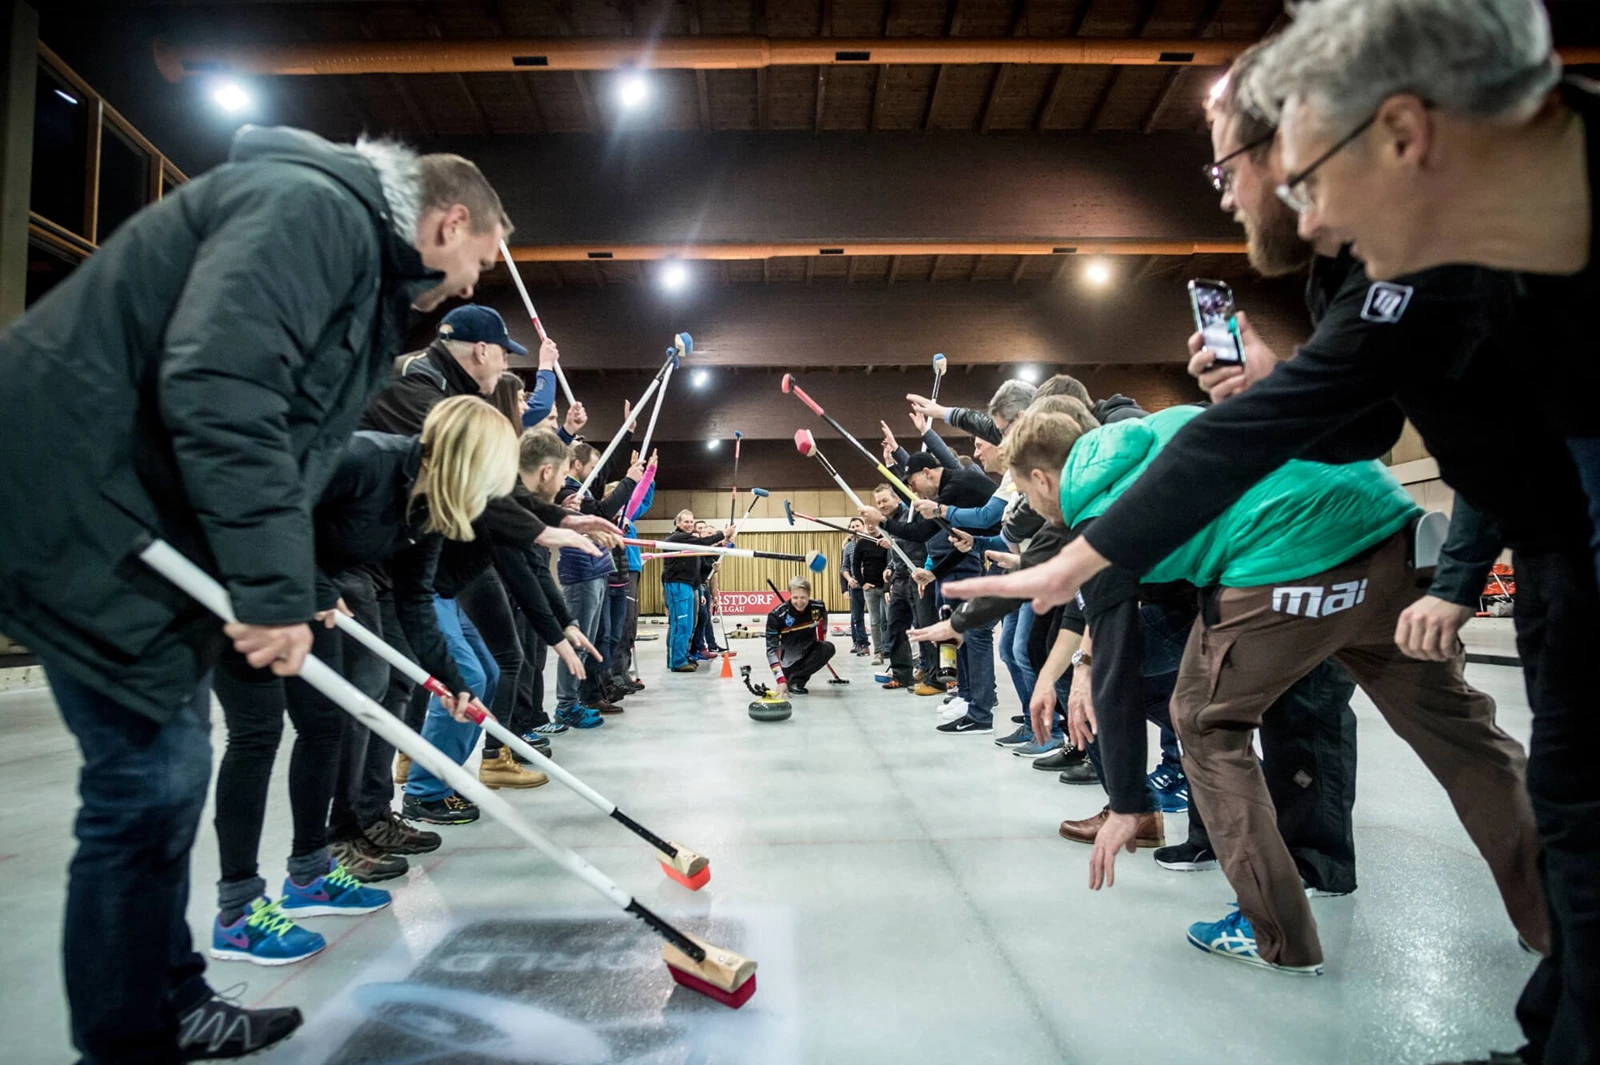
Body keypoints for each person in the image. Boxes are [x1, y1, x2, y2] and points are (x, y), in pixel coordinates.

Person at [0, 125, 510, 1061]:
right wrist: (278, 591)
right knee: (141, 788)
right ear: (447, 222)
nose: (471, 288)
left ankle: (172, 998)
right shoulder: (315, 213)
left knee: (167, 776)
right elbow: (226, 389)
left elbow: (282, 436)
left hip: (142, 518)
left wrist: (263, 579)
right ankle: (130, 1036)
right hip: (80, 498)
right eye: (477, 262)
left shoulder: (352, 259)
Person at [958, 406, 1548, 976]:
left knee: (1204, 723)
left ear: (1042, 476)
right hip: (1393, 534)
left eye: (1025, 492)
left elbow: (1116, 663)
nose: (1031, 507)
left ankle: (1279, 937)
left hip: (1292, 563)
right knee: (1463, 734)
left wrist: (1130, 805)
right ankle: (1554, 920)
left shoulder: (1106, 518)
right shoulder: (1161, 427)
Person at [211, 395, 513, 963]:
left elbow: (416, 601)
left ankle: (308, 875)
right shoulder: (364, 459)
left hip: (314, 592)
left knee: (326, 728)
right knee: (255, 736)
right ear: (469, 460)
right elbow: (275, 508)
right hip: (245, 583)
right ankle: (237, 911)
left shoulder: (429, 511)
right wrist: (317, 591)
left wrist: (450, 679)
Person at [861, 452, 1002, 734]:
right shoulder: (951, 488)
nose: (912, 490)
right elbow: (960, 544)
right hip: (1000, 552)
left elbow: (921, 532)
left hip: (1012, 554)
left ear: (928, 472)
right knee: (970, 635)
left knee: (980, 636)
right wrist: (935, 572)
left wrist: (883, 522)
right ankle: (968, 698)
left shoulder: (954, 487)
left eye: (913, 482)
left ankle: (980, 709)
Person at [554, 440, 640, 724]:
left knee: (593, 641)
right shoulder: (569, 492)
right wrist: (629, 480)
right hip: (581, 575)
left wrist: (626, 436)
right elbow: (603, 511)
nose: (597, 472)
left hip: (597, 572)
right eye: (591, 466)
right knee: (578, 642)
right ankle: (568, 704)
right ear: (576, 465)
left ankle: (581, 698)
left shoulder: (585, 488)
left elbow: (603, 470)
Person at [661, 511, 731, 672]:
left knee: (688, 625)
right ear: (678, 523)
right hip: (677, 585)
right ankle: (676, 661)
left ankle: (682, 656)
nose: (689, 524)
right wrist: (723, 534)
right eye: (686, 521)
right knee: (680, 625)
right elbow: (703, 544)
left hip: (690, 586)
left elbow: (702, 560)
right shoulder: (678, 538)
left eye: (691, 521)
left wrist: (721, 546)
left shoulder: (689, 542)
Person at [765, 578, 836, 697]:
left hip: (808, 653)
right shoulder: (776, 616)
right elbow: (771, 651)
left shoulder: (818, 607)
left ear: (809, 595)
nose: (799, 602)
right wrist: (780, 680)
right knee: (789, 671)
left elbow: (823, 620)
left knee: (828, 648)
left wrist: (822, 636)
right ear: (790, 595)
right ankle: (790, 680)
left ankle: (797, 681)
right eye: (795, 598)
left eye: (803, 597)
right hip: (787, 663)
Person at [850, 521, 890, 664]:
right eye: (868, 524)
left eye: (873, 524)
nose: (871, 526)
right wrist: (862, 583)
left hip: (886, 588)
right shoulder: (862, 543)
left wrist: (889, 585)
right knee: (875, 621)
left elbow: (893, 563)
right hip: (870, 588)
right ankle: (878, 653)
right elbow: (855, 564)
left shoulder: (886, 540)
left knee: (889, 619)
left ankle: (889, 650)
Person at [842, 522, 869, 655]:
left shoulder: (870, 542)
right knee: (857, 617)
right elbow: (844, 567)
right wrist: (849, 580)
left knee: (879, 618)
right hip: (855, 586)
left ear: (863, 527)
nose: (854, 529)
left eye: (857, 526)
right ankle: (861, 643)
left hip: (871, 585)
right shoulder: (847, 548)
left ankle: (884, 647)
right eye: (852, 527)